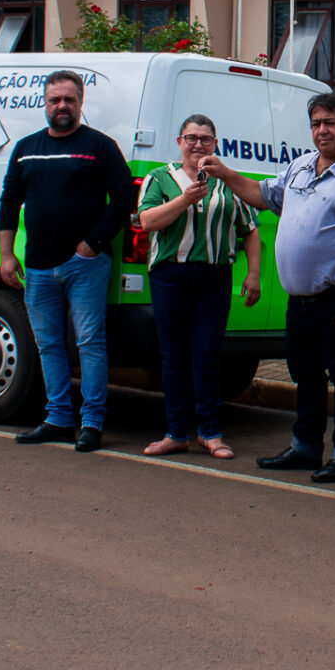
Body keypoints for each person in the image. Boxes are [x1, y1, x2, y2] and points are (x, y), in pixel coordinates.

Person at [202, 90, 335, 483]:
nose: (322, 131)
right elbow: (263, 195)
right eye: (316, 124)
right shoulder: (302, 166)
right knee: (305, 374)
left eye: (330, 123)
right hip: (301, 299)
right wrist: (225, 173)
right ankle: (306, 447)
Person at [0, 70, 136, 453]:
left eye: (69, 100)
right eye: (55, 99)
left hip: (85, 266)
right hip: (37, 267)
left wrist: (92, 244)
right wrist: (6, 255)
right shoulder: (26, 147)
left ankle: (91, 423)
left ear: (80, 102)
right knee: (49, 346)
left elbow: (124, 197)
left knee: (90, 343)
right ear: (45, 103)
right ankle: (58, 419)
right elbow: (9, 202)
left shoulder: (99, 146)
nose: (62, 106)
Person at [135, 113, 262, 459]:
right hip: (170, 278)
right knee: (173, 357)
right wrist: (184, 200)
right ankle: (176, 433)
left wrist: (253, 275)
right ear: (179, 142)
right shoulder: (159, 178)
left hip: (214, 277)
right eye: (191, 138)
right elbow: (147, 221)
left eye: (205, 139)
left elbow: (249, 228)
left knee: (207, 354)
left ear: (215, 144)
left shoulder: (226, 181)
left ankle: (210, 432)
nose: (198, 145)